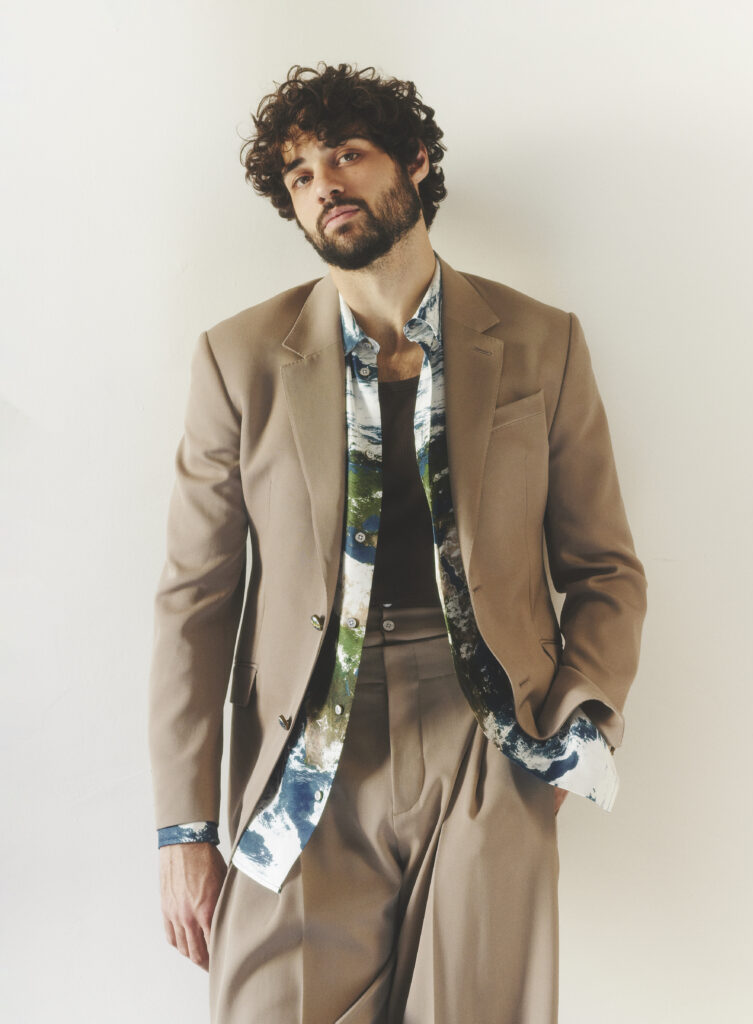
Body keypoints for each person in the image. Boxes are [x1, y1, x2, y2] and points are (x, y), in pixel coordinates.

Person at [148, 62, 647, 1023]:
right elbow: (193, 600)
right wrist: (184, 830)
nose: (323, 185)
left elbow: (605, 569)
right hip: (303, 747)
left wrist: (573, 734)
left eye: (346, 155)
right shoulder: (239, 360)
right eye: (300, 175)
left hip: (485, 738)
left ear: (413, 161)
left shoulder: (542, 342)